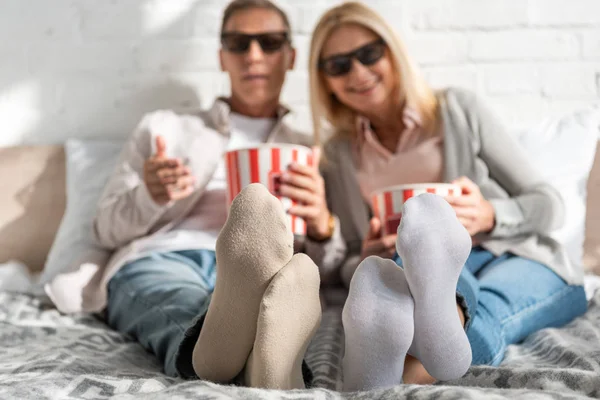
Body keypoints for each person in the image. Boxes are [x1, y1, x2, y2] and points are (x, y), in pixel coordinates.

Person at [306, 1, 588, 391]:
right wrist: (367, 255)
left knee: (476, 297)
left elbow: (549, 203)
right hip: (417, 269)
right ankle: (416, 353)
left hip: (516, 252)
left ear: (393, 51)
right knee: (427, 272)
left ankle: (384, 380)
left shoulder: (458, 109)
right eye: (338, 65)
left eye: (369, 54)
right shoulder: (337, 155)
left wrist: (489, 215)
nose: (358, 72)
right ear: (324, 81)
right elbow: (349, 259)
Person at [86, 0, 338, 390]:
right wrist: (151, 196)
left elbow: (332, 265)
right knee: (173, 296)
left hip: (263, 266)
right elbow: (104, 230)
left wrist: (322, 224)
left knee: (286, 286)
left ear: (290, 57)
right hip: (170, 253)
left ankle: (234, 358)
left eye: (269, 42)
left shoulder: (310, 149)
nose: (253, 56)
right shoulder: (165, 128)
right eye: (238, 43)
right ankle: (231, 354)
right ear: (222, 57)